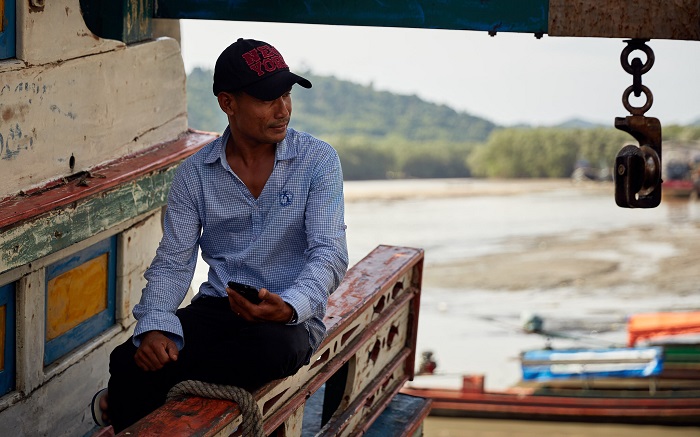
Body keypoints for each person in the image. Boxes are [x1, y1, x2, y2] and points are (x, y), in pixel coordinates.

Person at [92, 38, 349, 432]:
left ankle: (141, 392)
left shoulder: (318, 160)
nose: (283, 110)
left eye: (286, 94)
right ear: (228, 103)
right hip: (220, 309)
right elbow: (174, 262)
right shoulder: (195, 174)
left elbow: (329, 252)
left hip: (289, 320)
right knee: (128, 357)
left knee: (266, 350)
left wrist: (289, 306)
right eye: (267, 99)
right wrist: (157, 324)